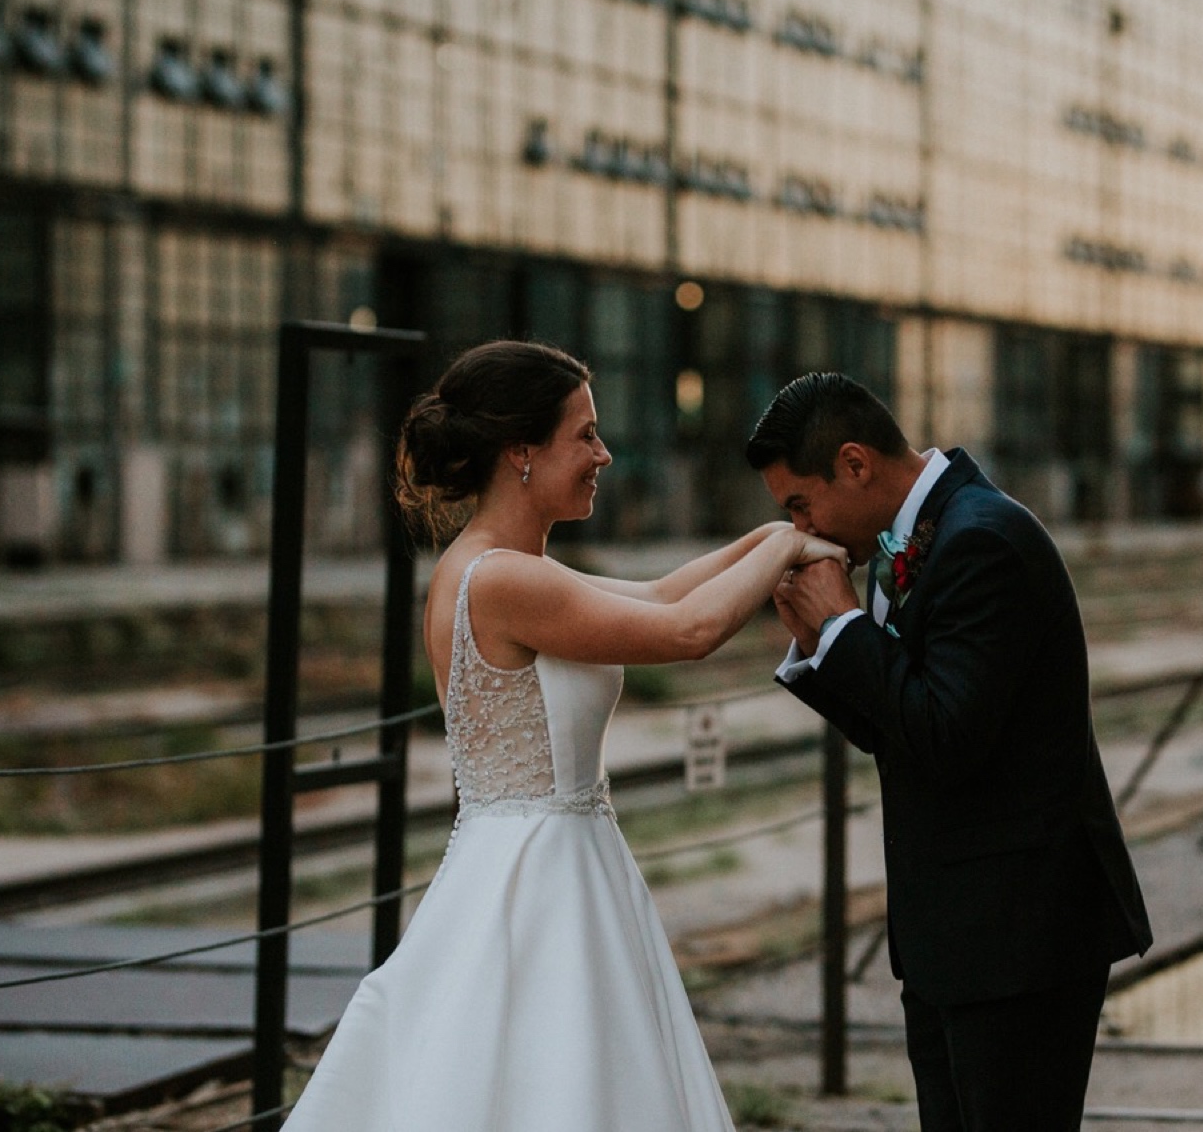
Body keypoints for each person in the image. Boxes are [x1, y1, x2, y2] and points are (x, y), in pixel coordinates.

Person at [285, 340, 844, 1131]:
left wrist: (772, 533)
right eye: (585, 434)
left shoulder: (502, 567)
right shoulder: (505, 579)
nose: (603, 454)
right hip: (539, 880)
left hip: (555, 861)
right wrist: (791, 546)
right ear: (521, 450)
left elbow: (657, 592)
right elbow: (686, 629)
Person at [749, 372, 1152, 1132]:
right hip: (954, 938)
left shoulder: (983, 540)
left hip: (1020, 937)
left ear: (857, 463)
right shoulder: (913, 538)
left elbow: (948, 734)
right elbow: (902, 728)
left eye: (801, 503)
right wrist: (820, 646)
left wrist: (845, 630)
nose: (801, 528)